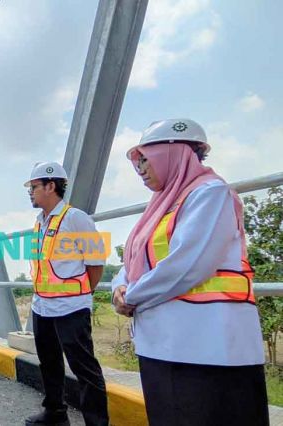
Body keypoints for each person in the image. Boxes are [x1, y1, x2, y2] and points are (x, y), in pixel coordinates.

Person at [111, 119, 268, 425]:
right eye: (137, 163)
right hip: (162, 343)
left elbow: (189, 263)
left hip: (208, 346)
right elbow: (132, 258)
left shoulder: (210, 194)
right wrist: (118, 288)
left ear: (174, 153)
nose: (140, 168)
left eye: (145, 158)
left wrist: (131, 295)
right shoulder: (159, 207)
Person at [23, 162, 109, 426]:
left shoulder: (76, 218)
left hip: (71, 307)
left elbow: (96, 263)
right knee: (49, 364)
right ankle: (55, 414)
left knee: (84, 369)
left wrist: (81, 294)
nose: (30, 192)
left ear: (51, 186)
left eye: (34, 187)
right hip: (42, 307)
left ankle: (96, 422)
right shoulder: (39, 222)